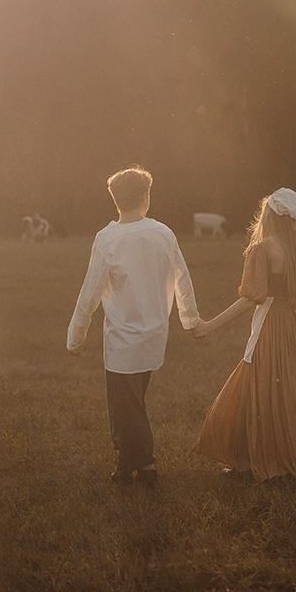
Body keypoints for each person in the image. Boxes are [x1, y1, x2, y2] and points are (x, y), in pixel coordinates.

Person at [191, 188, 296, 482]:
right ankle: (294, 459)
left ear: (268, 214)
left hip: (275, 325)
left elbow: (250, 299)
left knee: (266, 388)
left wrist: (209, 325)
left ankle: (267, 461)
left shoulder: (263, 249)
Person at [67, 167, 201, 487]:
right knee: (131, 403)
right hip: (154, 334)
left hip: (123, 340)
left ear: (115, 200)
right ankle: (127, 465)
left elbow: (91, 292)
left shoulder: (108, 238)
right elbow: (183, 279)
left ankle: (147, 466)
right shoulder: (163, 233)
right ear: (145, 197)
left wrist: (75, 335)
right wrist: (190, 318)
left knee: (125, 407)